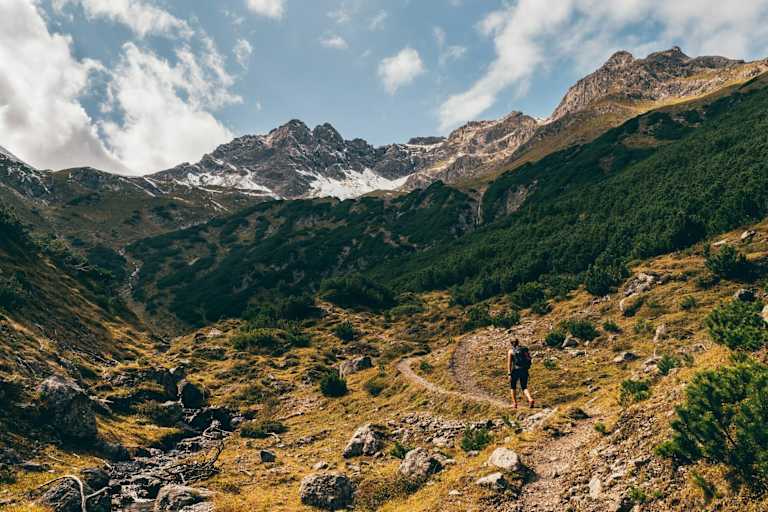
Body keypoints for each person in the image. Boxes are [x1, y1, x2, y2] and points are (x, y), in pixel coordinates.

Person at [507, 337, 534, 409]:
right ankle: (530, 399)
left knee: (513, 387)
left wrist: (509, 373)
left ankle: (514, 403)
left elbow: (509, 364)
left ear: (511, 343)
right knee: (524, 387)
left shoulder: (510, 351)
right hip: (524, 370)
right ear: (518, 342)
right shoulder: (524, 349)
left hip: (515, 370)